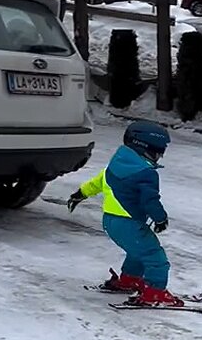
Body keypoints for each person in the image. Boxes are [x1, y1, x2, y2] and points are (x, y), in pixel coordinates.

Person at [66, 120, 183, 307]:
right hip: (130, 225)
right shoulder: (145, 173)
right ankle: (155, 292)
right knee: (155, 257)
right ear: (146, 148)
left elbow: (98, 182)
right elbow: (149, 200)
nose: (160, 156)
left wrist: (80, 194)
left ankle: (129, 280)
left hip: (110, 223)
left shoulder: (117, 164)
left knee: (137, 252)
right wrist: (161, 219)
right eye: (159, 151)